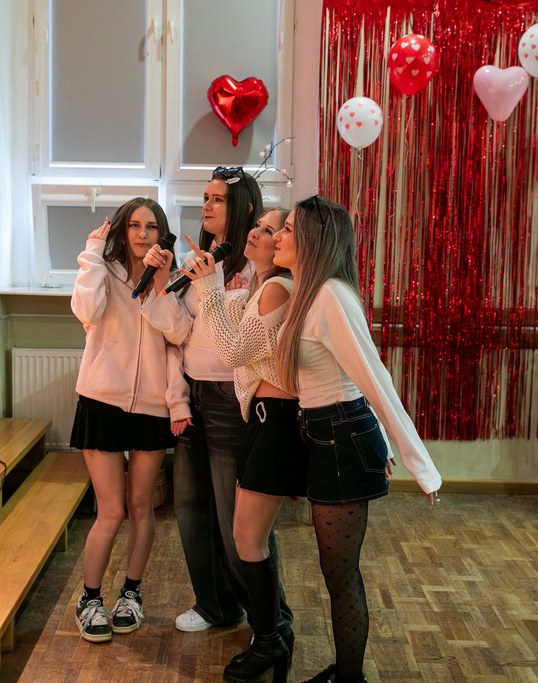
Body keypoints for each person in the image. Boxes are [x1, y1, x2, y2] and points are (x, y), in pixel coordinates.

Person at [272, 196, 442, 683]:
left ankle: (350, 679)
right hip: (326, 434)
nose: (279, 236)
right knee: (335, 573)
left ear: (313, 239)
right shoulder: (309, 292)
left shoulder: (330, 296)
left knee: (341, 576)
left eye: (288, 229)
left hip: (341, 438)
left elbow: (373, 380)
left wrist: (418, 463)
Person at [141, 167, 294, 635]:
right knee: (191, 508)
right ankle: (216, 605)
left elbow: (243, 344)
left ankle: (269, 617)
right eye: (205, 197)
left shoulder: (259, 265)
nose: (206, 206)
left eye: (218, 199)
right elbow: (181, 332)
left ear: (244, 206)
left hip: (233, 397)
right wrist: (163, 281)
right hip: (194, 391)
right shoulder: (200, 258)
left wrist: (216, 287)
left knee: (237, 522)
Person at [183, 207, 307, 682]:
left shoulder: (277, 288)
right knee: (246, 535)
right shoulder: (258, 287)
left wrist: (210, 288)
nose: (257, 233)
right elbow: (214, 324)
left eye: (270, 229)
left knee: (248, 538)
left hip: (273, 422)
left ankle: (271, 635)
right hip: (259, 419)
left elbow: (232, 351)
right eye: (258, 226)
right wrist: (203, 282)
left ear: (284, 244)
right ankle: (271, 635)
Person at [69, 197, 191, 643]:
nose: (143, 234)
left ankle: (131, 594)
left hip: (152, 406)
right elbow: (85, 312)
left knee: (142, 506)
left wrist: (161, 284)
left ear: (162, 233)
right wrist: (91, 255)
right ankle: (89, 599)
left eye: (151, 226)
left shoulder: (172, 279)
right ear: (123, 231)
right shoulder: (103, 271)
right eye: (135, 225)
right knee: (111, 510)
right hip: (101, 400)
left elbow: (180, 333)